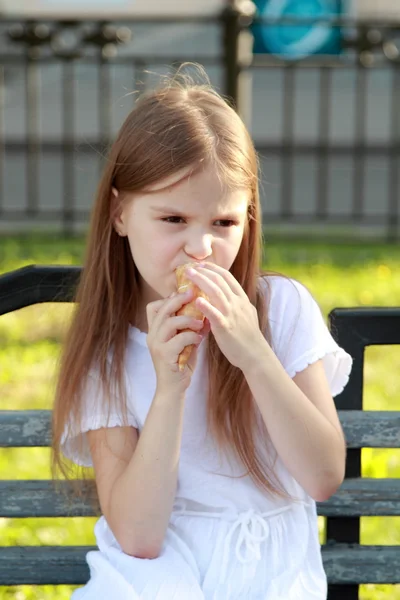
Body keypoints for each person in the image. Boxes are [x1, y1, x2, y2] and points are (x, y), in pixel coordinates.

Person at [52, 65, 353, 600]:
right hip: (154, 575)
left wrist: (255, 356)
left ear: (248, 218)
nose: (201, 249)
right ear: (120, 213)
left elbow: (323, 476)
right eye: (172, 220)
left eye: (223, 223)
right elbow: (140, 537)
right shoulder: (106, 345)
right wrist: (170, 388)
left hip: (271, 573)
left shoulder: (279, 309)